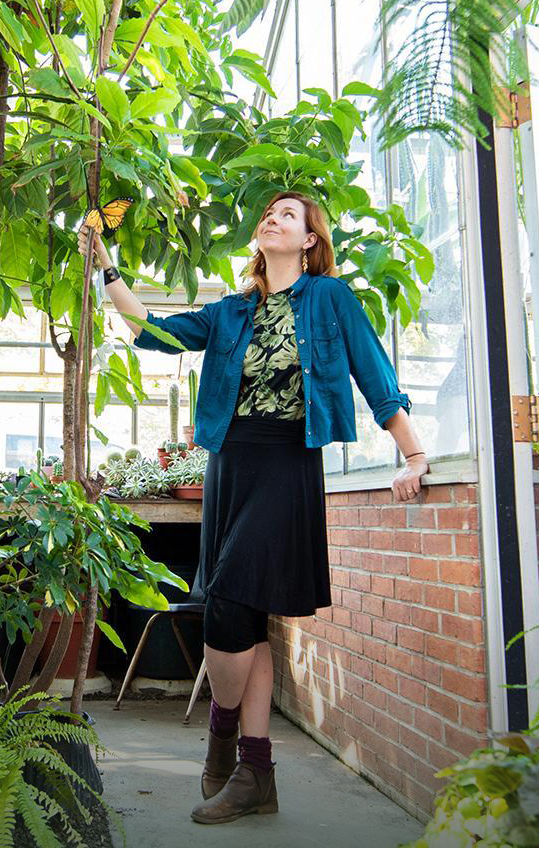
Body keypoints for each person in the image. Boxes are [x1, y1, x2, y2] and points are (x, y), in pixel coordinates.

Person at [83, 191, 427, 826]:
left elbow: (374, 374)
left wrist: (411, 454)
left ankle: (220, 734)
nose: (273, 218)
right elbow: (152, 330)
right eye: (268, 213)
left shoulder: (331, 299)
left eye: (288, 216)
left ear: (309, 241)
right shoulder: (232, 311)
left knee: (232, 602)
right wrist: (107, 271)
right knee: (242, 617)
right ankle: (255, 770)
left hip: (287, 461)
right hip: (230, 463)